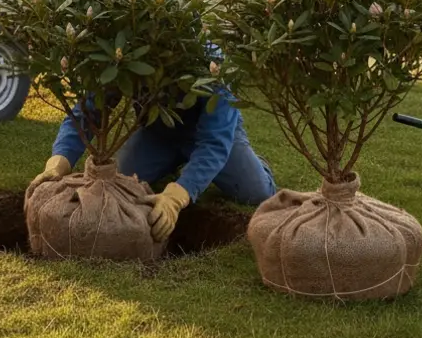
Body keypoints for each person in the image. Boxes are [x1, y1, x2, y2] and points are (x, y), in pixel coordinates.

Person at [30, 74, 276, 243]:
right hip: (157, 134)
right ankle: (172, 162)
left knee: (256, 192)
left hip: (211, 135)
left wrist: (177, 196)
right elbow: (87, 111)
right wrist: (59, 162)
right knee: (124, 181)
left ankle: (253, 163)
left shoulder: (211, 66)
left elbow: (214, 143)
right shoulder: (129, 54)